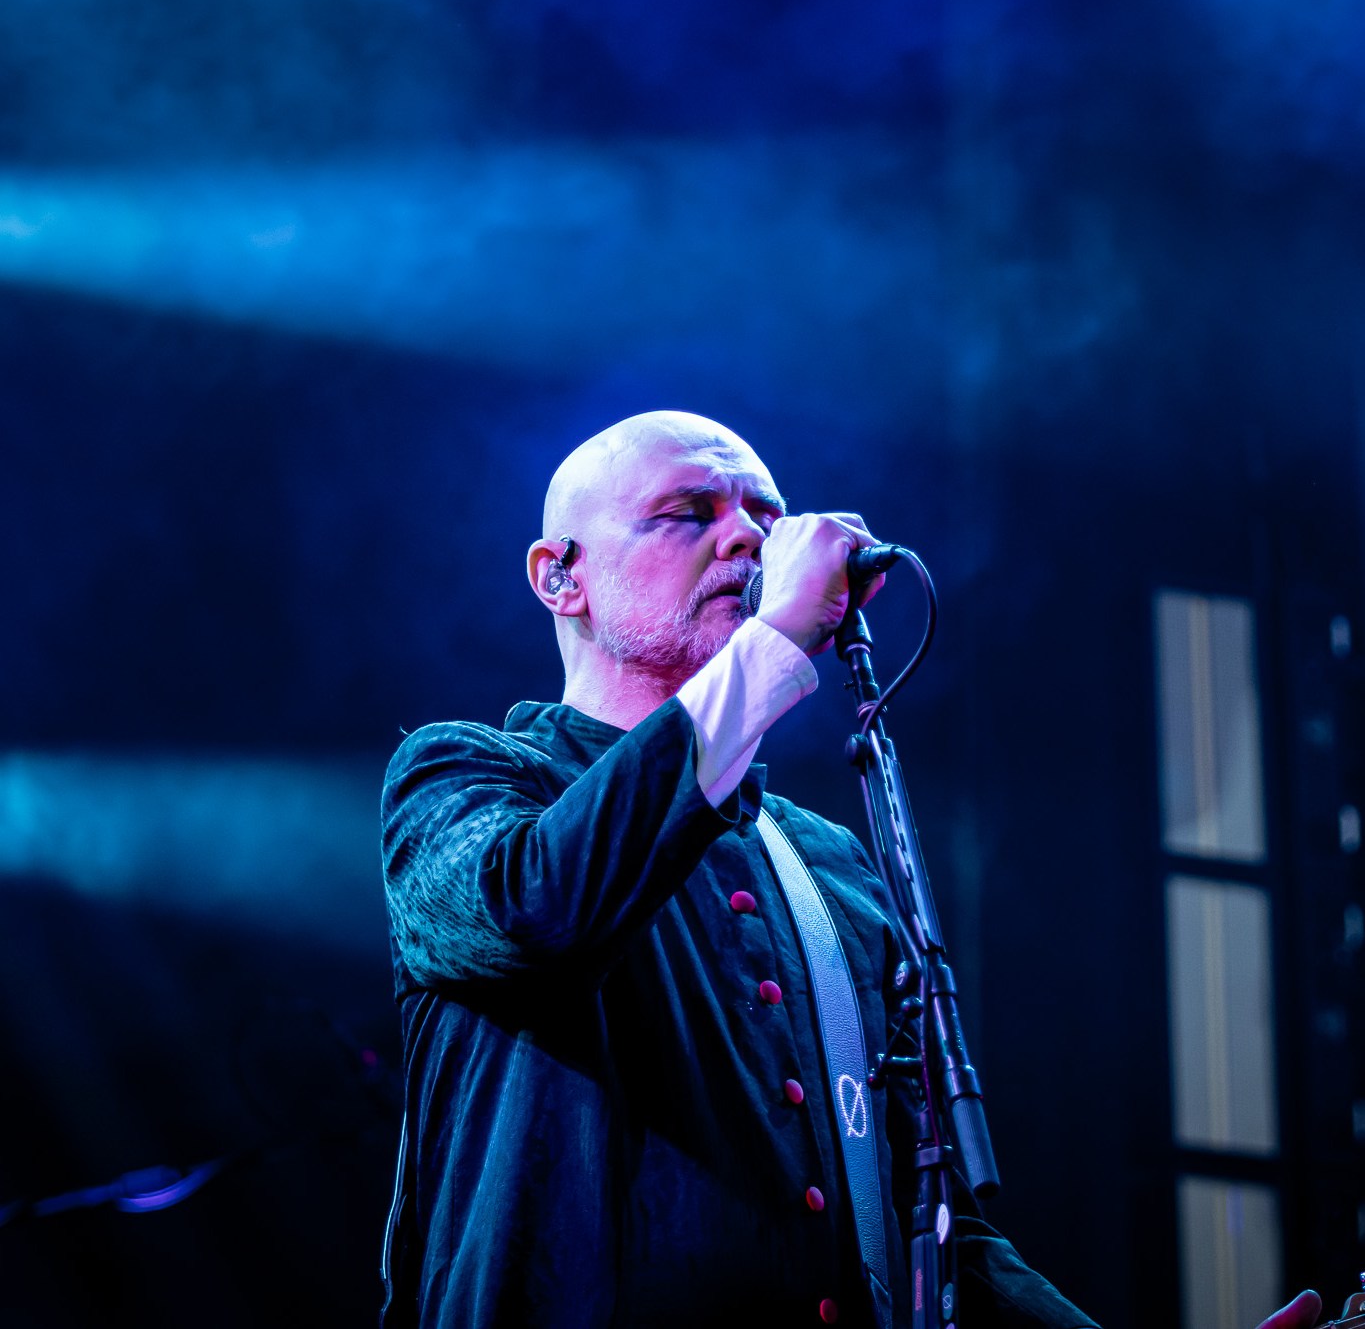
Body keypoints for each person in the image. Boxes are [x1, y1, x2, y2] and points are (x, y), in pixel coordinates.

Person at [379, 410, 1323, 1329]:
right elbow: (537, 910)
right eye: (689, 512)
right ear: (559, 577)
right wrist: (777, 638)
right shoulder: (463, 777)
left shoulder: (824, 865)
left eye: (762, 513)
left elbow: (932, 1230)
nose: (746, 538)